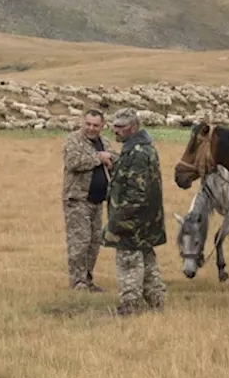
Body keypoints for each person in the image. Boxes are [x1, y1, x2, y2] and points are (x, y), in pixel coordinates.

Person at [102, 108, 168, 315]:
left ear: (133, 127)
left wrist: (116, 220)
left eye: (120, 127)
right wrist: (115, 162)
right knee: (148, 263)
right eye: (114, 125)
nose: (115, 130)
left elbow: (136, 193)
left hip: (133, 222)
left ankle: (130, 306)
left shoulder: (137, 153)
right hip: (147, 222)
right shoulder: (141, 148)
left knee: (128, 263)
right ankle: (157, 302)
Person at [62, 109, 116, 291]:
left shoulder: (105, 142)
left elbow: (114, 158)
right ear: (82, 122)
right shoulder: (73, 140)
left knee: (94, 242)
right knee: (80, 241)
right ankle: (78, 282)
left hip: (97, 201)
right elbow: (73, 162)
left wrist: (111, 161)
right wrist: (98, 158)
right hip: (78, 199)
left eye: (95, 125)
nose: (91, 128)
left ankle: (88, 280)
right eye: (88, 124)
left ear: (102, 126)